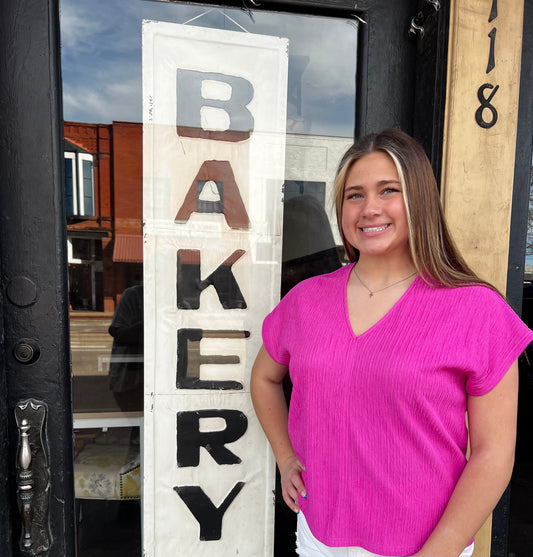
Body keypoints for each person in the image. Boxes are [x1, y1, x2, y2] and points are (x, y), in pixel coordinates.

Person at [250, 128, 533, 557]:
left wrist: (440, 551)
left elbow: (494, 453)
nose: (370, 208)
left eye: (389, 190)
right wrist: (286, 457)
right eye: (354, 195)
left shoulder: (476, 309)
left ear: (418, 198)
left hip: (424, 544)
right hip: (318, 534)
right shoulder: (306, 301)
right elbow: (265, 378)